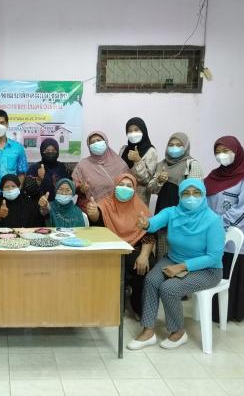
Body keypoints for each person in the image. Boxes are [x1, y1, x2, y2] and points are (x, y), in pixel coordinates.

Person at [128, 179, 224, 350]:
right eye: (186, 193)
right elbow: (153, 223)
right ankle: (148, 331)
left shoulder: (213, 220)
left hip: (208, 269)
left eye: (196, 193)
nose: (191, 197)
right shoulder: (172, 212)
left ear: (203, 195)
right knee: (151, 281)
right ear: (180, 196)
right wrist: (146, 224)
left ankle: (178, 332)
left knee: (169, 288)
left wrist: (182, 267)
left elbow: (213, 256)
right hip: (174, 258)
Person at [205, 136, 244, 323]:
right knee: (213, 274)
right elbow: (202, 201)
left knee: (230, 277)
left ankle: (233, 312)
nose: (221, 155)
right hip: (212, 239)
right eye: (217, 152)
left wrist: (217, 226)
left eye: (225, 151)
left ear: (237, 152)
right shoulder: (214, 176)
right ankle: (213, 312)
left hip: (232, 240)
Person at [86, 173, 155, 319]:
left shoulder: (140, 208)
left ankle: (137, 306)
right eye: (121, 185)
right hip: (111, 250)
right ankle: (113, 304)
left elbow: (149, 234)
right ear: (115, 187)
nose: (125, 188)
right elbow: (97, 221)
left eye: (129, 186)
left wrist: (144, 256)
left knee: (147, 264)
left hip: (134, 249)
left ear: (134, 189)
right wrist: (93, 214)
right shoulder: (105, 204)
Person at [147, 132, 204, 260]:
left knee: (181, 256)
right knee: (163, 255)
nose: (174, 148)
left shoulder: (191, 164)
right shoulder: (161, 165)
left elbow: (195, 195)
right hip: (163, 216)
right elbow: (151, 189)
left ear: (186, 147)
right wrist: (159, 181)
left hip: (184, 219)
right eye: (171, 144)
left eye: (179, 145)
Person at [72, 131, 128, 210]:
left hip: (115, 208)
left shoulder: (120, 164)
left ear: (105, 142)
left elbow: (129, 185)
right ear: (89, 146)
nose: (96, 143)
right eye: (92, 142)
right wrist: (81, 189)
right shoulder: (82, 165)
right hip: (90, 209)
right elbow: (73, 188)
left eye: (99, 140)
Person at [119, 117, 158, 205]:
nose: (133, 133)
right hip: (121, 195)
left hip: (139, 200)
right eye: (129, 131)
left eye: (136, 130)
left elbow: (147, 181)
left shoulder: (150, 151)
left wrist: (138, 161)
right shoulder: (123, 149)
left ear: (143, 131)